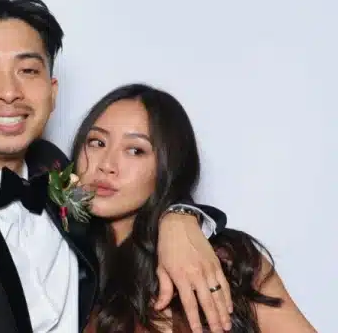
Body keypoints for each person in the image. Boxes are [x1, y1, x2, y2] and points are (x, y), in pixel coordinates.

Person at [0, 0, 236, 333]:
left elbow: (145, 192)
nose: (8, 92)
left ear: (52, 93)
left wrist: (180, 218)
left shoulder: (64, 173)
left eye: (28, 70)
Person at [73, 83, 315, 332]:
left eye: (136, 150)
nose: (107, 165)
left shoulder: (226, 259)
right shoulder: (61, 257)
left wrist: (179, 216)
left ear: (168, 166)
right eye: (96, 142)